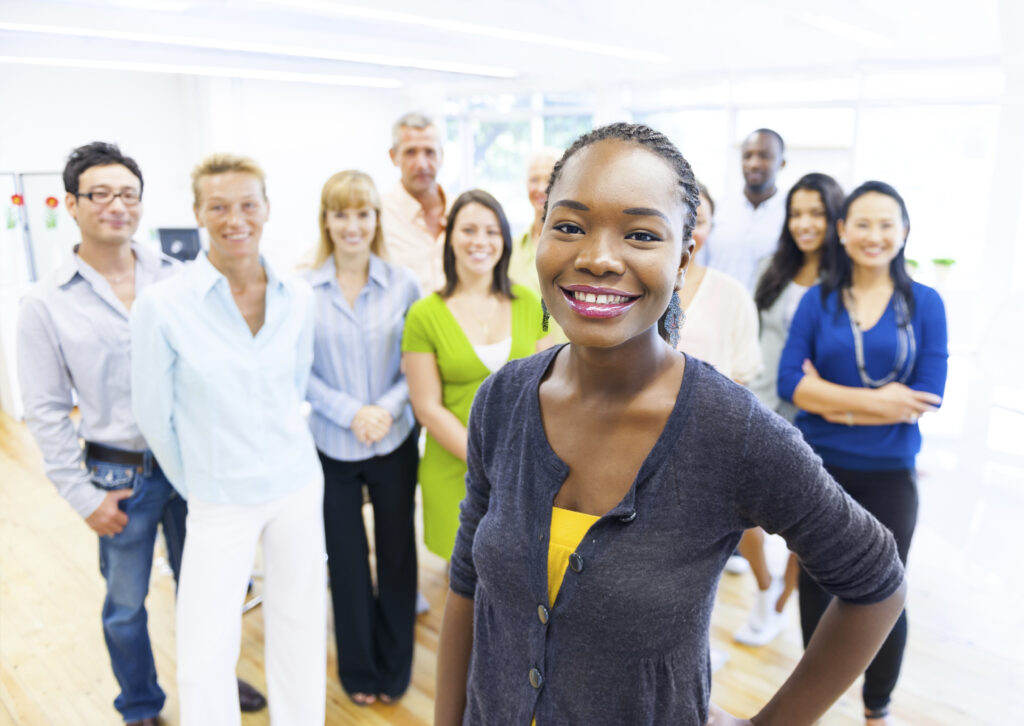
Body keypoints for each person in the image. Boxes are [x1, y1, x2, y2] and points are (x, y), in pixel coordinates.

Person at [434, 123, 908, 726]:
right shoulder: (502, 399)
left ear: (683, 256)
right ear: (538, 236)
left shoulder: (728, 432)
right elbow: (467, 583)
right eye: (570, 226)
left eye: (639, 234)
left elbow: (876, 581)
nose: (598, 257)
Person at [16, 142, 264, 726]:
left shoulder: (179, 278)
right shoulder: (44, 303)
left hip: (193, 464)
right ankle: (141, 705)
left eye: (128, 194)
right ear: (72, 205)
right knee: (126, 606)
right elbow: (47, 411)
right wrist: (83, 498)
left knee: (212, 589)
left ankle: (215, 681)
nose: (116, 205)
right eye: (100, 194)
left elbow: (213, 371)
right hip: (117, 475)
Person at [131, 154, 326, 726]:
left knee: (299, 627)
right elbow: (153, 414)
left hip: (295, 485)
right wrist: (200, 483)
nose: (234, 218)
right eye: (218, 206)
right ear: (198, 213)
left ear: (265, 209)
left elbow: (295, 385)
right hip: (218, 497)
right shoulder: (163, 306)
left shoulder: (298, 297)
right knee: (203, 651)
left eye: (247, 204)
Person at [778, 180, 947, 725]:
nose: (874, 235)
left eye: (886, 224)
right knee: (816, 589)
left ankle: (878, 708)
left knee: (886, 594)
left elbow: (924, 397)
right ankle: (814, 704)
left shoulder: (925, 303)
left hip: (889, 473)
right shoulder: (817, 300)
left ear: (903, 232)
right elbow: (789, 384)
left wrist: (829, 400)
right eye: (863, 224)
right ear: (843, 231)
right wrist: (876, 403)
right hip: (818, 469)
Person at [305, 170, 421, 706]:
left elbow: (417, 366)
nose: (352, 225)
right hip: (333, 445)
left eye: (362, 213)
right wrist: (352, 412)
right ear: (326, 221)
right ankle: (359, 669)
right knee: (346, 560)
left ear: (376, 219)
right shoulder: (302, 291)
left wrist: (385, 409)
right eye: (341, 214)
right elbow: (298, 371)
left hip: (393, 440)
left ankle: (395, 667)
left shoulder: (403, 284)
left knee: (397, 555)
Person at [733, 172, 847, 648]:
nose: (805, 223)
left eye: (816, 213)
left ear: (835, 217)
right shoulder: (770, 268)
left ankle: (783, 601)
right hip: (759, 403)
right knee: (741, 512)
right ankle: (765, 587)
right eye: (797, 213)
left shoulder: (844, 280)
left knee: (805, 522)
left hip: (811, 412)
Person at [402, 189, 546, 562]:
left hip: (521, 469)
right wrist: (486, 463)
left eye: (491, 231)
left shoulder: (532, 302)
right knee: (465, 584)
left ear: (504, 240)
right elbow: (427, 407)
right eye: (468, 230)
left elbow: (545, 387)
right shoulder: (423, 314)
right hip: (455, 470)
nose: (480, 241)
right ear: (449, 238)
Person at [675, 182, 762, 384]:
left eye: (700, 222)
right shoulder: (633, 288)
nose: (688, 231)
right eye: (680, 219)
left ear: (712, 227)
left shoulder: (734, 294)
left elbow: (743, 375)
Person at [705, 128, 787, 293]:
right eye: (747, 156)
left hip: (767, 314)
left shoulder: (790, 213)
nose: (754, 164)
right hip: (717, 308)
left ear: (782, 163)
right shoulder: (719, 208)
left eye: (764, 156)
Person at [382, 111, 448, 295]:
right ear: (393, 156)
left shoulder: (464, 212)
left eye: (429, 152)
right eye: (410, 152)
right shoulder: (376, 215)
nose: (421, 164)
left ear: (441, 155)